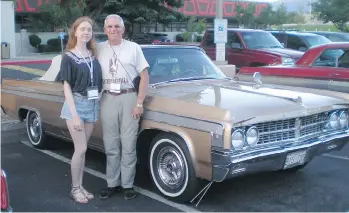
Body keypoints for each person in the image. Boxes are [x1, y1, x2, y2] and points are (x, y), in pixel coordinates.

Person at [96, 14, 149, 200]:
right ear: (104, 30)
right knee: (111, 144)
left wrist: (139, 103)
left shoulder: (133, 48)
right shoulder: (99, 49)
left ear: (123, 29)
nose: (113, 29)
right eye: (109, 26)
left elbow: (144, 76)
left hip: (129, 98)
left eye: (117, 26)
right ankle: (112, 183)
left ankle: (127, 185)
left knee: (128, 144)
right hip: (108, 98)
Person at [55, 16, 103, 204]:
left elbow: (98, 79)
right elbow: (66, 86)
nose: (85, 32)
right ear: (75, 32)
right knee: (80, 148)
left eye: (89, 29)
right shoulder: (68, 57)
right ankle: (75, 188)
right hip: (75, 105)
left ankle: (81, 185)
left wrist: (99, 94)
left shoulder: (93, 55)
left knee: (83, 150)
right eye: (82, 29)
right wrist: (75, 115)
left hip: (92, 105)